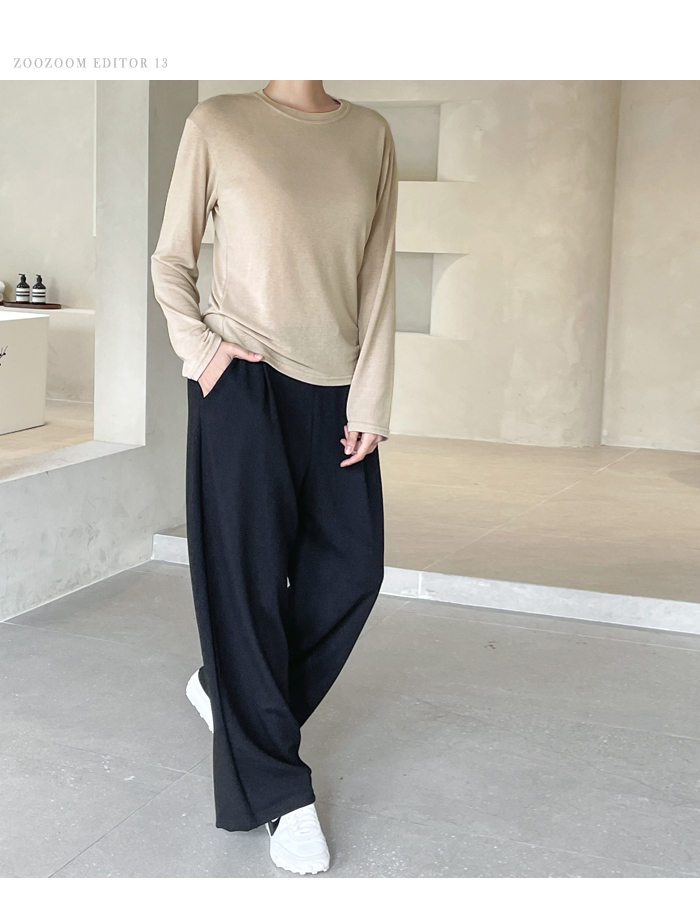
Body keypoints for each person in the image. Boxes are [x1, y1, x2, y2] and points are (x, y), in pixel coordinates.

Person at [150, 80, 398, 875]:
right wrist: (201, 351)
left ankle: (225, 690)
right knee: (247, 587)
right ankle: (280, 794)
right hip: (243, 377)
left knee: (353, 569)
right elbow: (171, 258)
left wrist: (372, 397)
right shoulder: (219, 122)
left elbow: (379, 275)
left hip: (336, 389)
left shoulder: (370, 135)